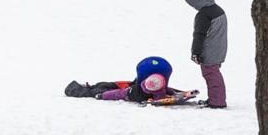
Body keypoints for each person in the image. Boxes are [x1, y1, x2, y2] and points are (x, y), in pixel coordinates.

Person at [63, 57, 196, 104]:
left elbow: (167, 91)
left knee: (103, 87)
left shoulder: (150, 87)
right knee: (103, 86)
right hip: (129, 87)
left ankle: (87, 88)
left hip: (129, 87)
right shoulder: (136, 90)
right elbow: (118, 94)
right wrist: (101, 96)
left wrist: (181, 93)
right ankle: (83, 88)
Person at [186, 0, 228, 108]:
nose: (194, 6)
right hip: (220, 47)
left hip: (209, 49)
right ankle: (216, 99)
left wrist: (195, 52)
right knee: (214, 73)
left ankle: (217, 101)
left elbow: (199, 35)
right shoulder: (218, 10)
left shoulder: (204, 14)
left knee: (211, 74)